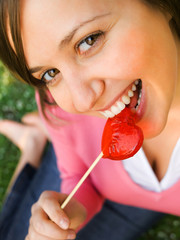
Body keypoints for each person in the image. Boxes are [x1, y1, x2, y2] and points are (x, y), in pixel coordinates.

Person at [0, 0, 180, 239]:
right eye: (50, 74)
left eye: (89, 40)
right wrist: (74, 206)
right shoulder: (61, 111)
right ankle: (34, 140)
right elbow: (78, 175)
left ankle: (32, 143)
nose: (83, 102)